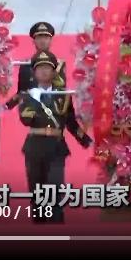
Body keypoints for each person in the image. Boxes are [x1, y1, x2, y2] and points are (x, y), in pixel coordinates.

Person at [19, 51, 92, 223]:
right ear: (34, 72)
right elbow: (25, 120)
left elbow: (71, 123)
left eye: (48, 68)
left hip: (56, 147)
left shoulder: (63, 96)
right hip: (34, 147)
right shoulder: (28, 95)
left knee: (55, 190)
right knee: (37, 193)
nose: (44, 71)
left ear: (54, 72)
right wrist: (35, 101)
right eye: (40, 68)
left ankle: (56, 226)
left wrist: (86, 140)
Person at [4, 22, 65, 110]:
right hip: (32, 113)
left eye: (46, 38)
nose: (43, 41)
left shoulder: (59, 64)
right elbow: (22, 92)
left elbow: (62, 93)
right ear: (33, 41)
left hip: (54, 112)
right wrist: (6, 107)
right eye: (39, 38)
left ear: (51, 40)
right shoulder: (26, 65)